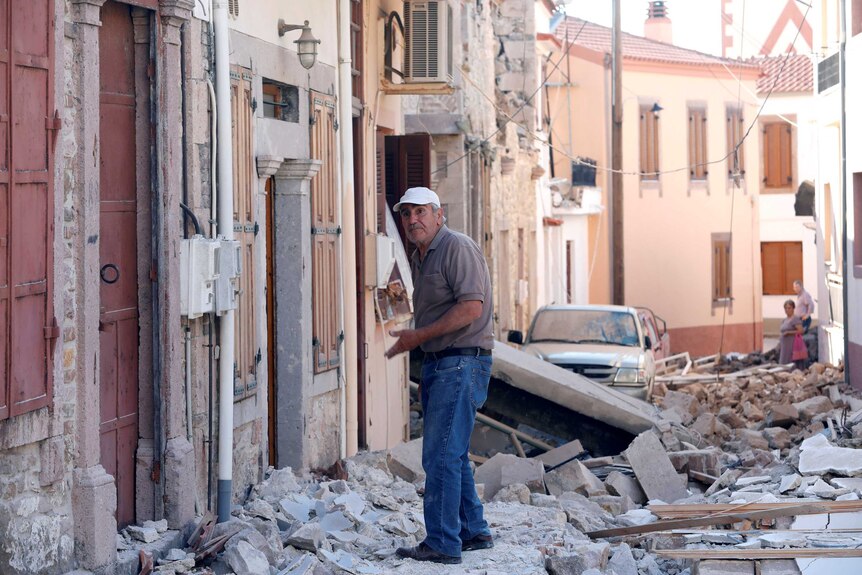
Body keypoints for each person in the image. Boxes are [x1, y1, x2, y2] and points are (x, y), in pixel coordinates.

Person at [385, 186, 494, 565]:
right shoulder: (422, 255)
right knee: (454, 454)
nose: (412, 219)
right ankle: (472, 530)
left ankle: (443, 543)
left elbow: (470, 308)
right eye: (406, 214)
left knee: (441, 456)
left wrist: (419, 336)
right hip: (443, 363)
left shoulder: (456, 247)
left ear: (438, 214)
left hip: (460, 362)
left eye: (420, 212)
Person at [778, 299, 804, 369]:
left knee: (790, 360)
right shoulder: (784, 320)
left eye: (789, 308)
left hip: (791, 344)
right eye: (785, 308)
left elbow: (801, 331)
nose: (787, 310)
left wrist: (789, 333)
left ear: (793, 308)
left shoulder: (795, 319)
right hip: (784, 345)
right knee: (783, 360)